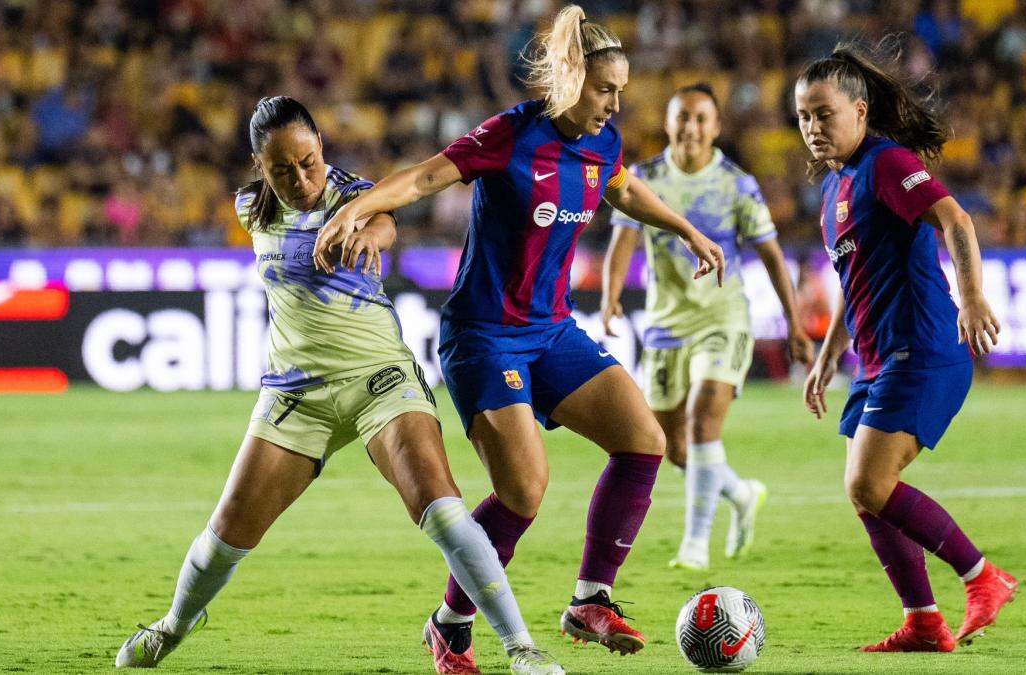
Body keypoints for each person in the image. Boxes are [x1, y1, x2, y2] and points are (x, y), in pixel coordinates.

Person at [313, 5, 724, 670]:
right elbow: (423, 176)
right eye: (603, 89)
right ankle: (453, 623)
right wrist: (359, 207)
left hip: (552, 330)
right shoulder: (510, 135)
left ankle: (590, 598)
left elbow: (624, 190)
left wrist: (685, 228)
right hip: (484, 339)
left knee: (644, 439)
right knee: (525, 491)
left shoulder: (603, 143)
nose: (614, 103)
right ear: (568, 79)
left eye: (621, 90)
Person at [114, 97, 563, 675]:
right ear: (258, 166)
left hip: (379, 380)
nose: (300, 179)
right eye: (282, 170)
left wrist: (370, 232)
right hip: (295, 394)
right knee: (224, 539)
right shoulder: (252, 208)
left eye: (308, 162)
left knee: (443, 509)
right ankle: (173, 625)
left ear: (322, 146)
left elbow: (383, 219)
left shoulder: (352, 196)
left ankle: (520, 647)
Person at [793, 45, 1018, 652]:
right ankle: (923, 621)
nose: (813, 127)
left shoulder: (886, 163)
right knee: (868, 495)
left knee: (869, 485)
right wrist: (826, 353)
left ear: (860, 112)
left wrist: (971, 298)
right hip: (878, 359)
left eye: (824, 113)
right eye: (803, 117)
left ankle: (983, 578)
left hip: (920, 350)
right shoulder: (836, 189)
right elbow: (853, 280)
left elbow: (956, 220)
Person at [602, 83, 815, 571]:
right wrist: (612, 297)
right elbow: (623, 241)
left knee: (702, 419)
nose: (691, 127)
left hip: (723, 318)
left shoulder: (737, 184)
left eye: (701, 118)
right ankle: (739, 494)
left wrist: (795, 324)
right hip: (664, 326)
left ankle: (695, 544)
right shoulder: (644, 176)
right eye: (683, 117)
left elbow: (772, 256)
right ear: (668, 123)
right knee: (674, 447)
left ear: (716, 127)